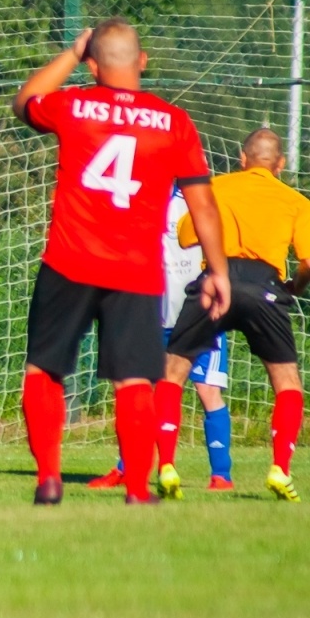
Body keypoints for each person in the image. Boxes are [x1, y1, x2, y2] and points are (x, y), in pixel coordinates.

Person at [11, 18, 228, 506]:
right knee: (135, 379)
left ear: (92, 64)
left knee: (43, 370)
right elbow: (204, 205)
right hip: (135, 271)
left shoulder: (72, 105)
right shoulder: (173, 121)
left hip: (69, 260)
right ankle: (136, 490)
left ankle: (48, 477)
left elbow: (23, 101)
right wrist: (217, 271)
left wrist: (69, 54)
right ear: (143, 62)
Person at [161, 128, 309, 502]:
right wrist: (296, 285)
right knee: (287, 383)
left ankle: (166, 464)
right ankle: (279, 468)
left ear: (242, 160)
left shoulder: (216, 188)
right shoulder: (294, 200)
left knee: (172, 372)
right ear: (281, 164)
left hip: (216, 282)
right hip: (265, 287)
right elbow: (308, 262)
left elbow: (184, 236)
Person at [87, 188, 233, 493]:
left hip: (198, 314)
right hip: (150, 313)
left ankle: (221, 475)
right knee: (138, 392)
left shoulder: (200, 201)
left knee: (208, 391)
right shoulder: (139, 198)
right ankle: (127, 468)